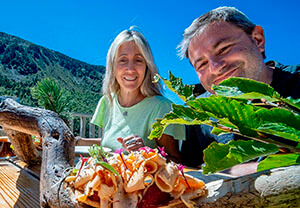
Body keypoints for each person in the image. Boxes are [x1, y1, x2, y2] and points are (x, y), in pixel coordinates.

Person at [177, 6, 300, 173]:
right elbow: (190, 170)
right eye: (202, 64)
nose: (215, 68)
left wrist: (234, 171)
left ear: (257, 40)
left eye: (223, 49)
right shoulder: (200, 115)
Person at [77, 27, 185, 162]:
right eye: (123, 60)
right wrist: (78, 141)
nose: (130, 69)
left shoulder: (162, 107)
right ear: (113, 66)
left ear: (147, 66)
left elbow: (176, 161)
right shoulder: (107, 101)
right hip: (107, 180)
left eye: (138, 60)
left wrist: (145, 153)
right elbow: (111, 143)